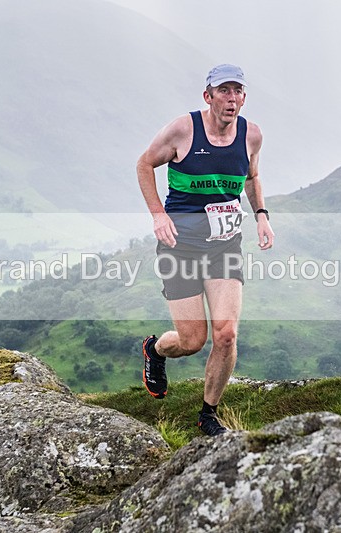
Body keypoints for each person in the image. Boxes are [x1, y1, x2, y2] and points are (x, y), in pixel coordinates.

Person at [136, 64, 274, 436]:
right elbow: (145, 164)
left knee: (226, 334)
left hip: (223, 245)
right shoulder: (183, 130)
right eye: (223, 91)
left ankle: (208, 414)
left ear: (244, 97)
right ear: (208, 96)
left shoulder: (252, 136)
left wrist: (261, 215)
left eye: (237, 91)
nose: (231, 98)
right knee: (192, 341)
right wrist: (158, 215)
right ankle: (155, 349)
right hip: (179, 246)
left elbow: (253, 176)